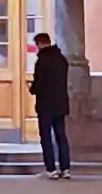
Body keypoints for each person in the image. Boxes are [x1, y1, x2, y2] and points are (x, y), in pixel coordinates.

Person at [29, 31, 75, 177]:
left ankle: (51, 169)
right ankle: (65, 168)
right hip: (61, 103)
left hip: (45, 105)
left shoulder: (42, 61)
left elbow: (39, 85)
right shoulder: (62, 59)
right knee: (61, 135)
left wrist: (31, 88)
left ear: (40, 44)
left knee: (46, 137)